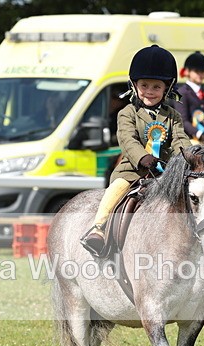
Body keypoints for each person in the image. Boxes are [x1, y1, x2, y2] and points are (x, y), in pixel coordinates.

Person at [80, 45, 190, 257]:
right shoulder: (127, 113)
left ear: (166, 89)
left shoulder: (173, 116)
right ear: (134, 85)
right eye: (144, 85)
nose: (149, 91)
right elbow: (127, 139)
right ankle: (98, 229)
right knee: (115, 190)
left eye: (156, 87)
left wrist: (188, 157)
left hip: (166, 172)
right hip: (133, 171)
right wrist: (143, 157)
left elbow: (179, 139)